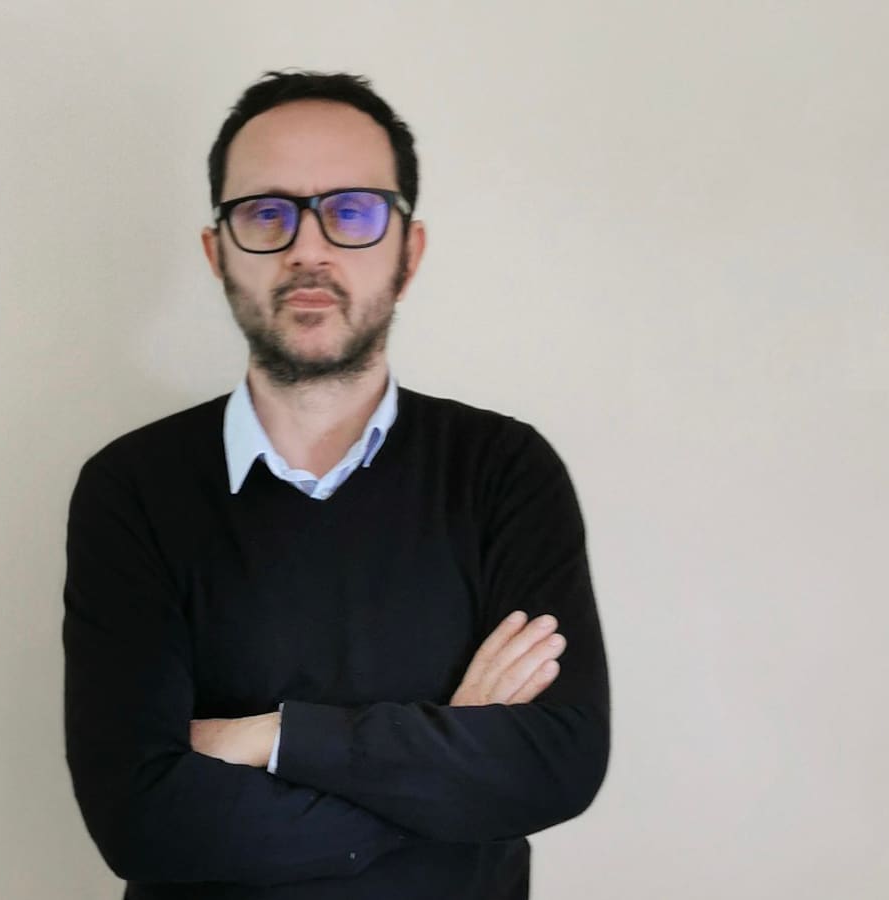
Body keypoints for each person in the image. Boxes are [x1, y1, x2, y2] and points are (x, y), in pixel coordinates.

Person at [63, 70, 610, 900]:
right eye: (266, 213)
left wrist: (269, 739)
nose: (307, 250)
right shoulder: (132, 489)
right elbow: (140, 821)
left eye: (352, 212)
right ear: (217, 253)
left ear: (408, 253)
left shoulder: (504, 472)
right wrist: (449, 754)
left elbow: (556, 765)